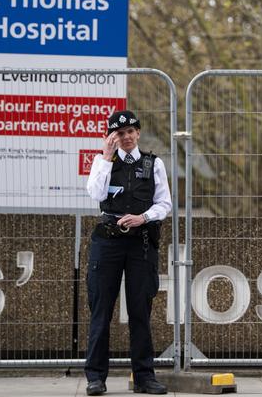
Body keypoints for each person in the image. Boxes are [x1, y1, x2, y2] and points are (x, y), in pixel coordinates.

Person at [84, 110, 171, 396]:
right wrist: (106, 158)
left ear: (138, 132)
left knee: (140, 312)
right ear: (111, 137)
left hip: (141, 244)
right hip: (107, 244)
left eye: (131, 131)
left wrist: (143, 217)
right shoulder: (102, 162)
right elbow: (96, 194)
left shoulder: (153, 163)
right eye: (120, 133)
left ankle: (144, 377)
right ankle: (96, 377)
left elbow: (164, 204)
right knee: (101, 311)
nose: (127, 137)